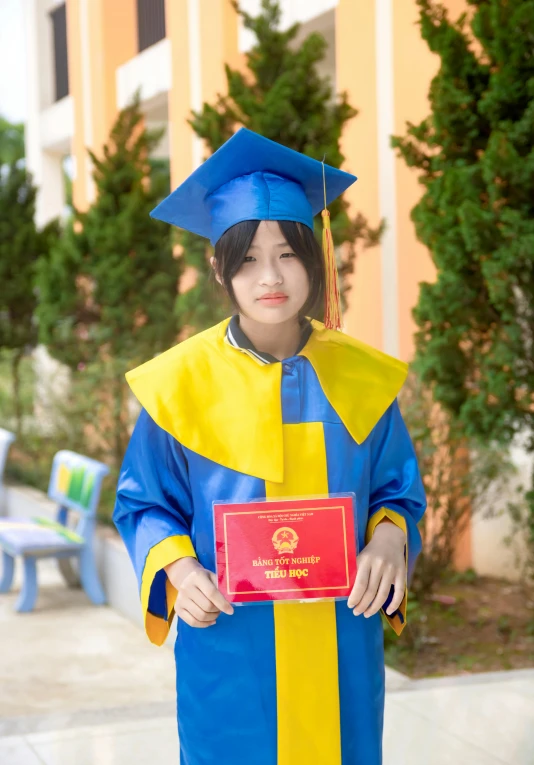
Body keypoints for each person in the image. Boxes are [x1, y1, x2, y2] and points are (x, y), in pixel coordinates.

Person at [113, 128, 426, 765]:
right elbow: (144, 504)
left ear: (314, 260)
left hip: (341, 635)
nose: (271, 277)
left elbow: (397, 490)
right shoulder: (180, 384)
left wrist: (390, 538)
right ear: (218, 267)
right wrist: (179, 570)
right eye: (249, 258)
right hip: (229, 642)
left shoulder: (362, 378)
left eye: (287, 253)